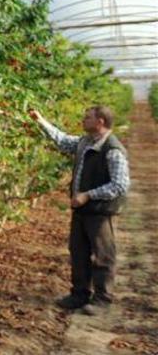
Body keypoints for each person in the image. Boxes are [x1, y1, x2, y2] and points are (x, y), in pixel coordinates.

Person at [29, 106, 130, 316]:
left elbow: (120, 185)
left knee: (103, 256)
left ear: (100, 121)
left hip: (101, 213)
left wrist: (88, 195)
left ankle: (102, 299)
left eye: (87, 117)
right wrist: (41, 121)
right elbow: (63, 140)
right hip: (82, 211)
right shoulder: (85, 142)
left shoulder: (113, 149)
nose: (83, 120)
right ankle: (79, 294)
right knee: (78, 252)